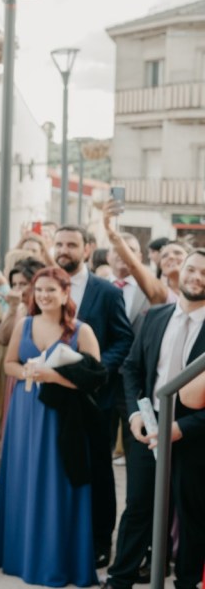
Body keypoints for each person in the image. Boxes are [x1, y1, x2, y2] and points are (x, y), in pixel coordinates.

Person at [0, 267, 104, 587]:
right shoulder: (24, 324)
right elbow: (9, 363)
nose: (43, 295)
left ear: (65, 294)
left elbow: (96, 378)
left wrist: (54, 377)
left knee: (55, 481)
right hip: (25, 411)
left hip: (62, 416)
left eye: (51, 290)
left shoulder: (81, 331)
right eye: (39, 290)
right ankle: (19, 555)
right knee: (23, 477)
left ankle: (54, 559)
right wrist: (28, 372)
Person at [104, 250, 205, 589]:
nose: (197, 277)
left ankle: (187, 583)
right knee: (138, 506)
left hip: (194, 432)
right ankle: (120, 580)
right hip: (150, 426)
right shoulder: (155, 316)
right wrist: (135, 413)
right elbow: (131, 368)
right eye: (192, 269)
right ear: (180, 271)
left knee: (192, 513)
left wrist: (182, 428)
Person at [53, 225, 135, 568]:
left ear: (87, 249)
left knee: (99, 470)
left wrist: (97, 370)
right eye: (59, 243)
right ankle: (58, 536)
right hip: (52, 396)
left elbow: (123, 339)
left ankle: (101, 541)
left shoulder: (106, 292)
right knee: (57, 467)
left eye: (71, 244)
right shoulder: (46, 285)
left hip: (95, 398)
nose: (64, 250)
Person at [0, 257, 45, 461]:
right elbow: (4, 336)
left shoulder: (43, 310)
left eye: (23, 284)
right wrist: (13, 309)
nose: (18, 289)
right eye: (14, 284)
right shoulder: (19, 308)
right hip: (16, 376)